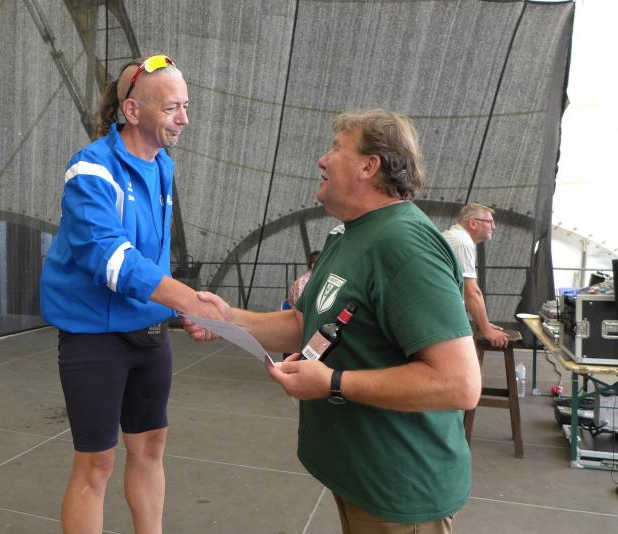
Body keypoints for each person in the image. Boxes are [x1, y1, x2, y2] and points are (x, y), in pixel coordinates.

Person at [185, 109, 481, 533]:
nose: (322, 159)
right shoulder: (347, 234)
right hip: (360, 475)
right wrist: (229, 319)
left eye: (336, 149)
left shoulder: (406, 243)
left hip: (399, 487)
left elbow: (458, 383)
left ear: (369, 166)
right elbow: (303, 324)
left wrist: (333, 383)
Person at [40, 54, 223, 534]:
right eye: (171, 108)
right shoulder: (90, 168)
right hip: (94, 337)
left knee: (151, 447)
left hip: (149, 332)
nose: (184, 119)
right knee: (96, 464)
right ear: (133, 111)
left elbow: (152, 258)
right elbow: (111, 258)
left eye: (186, 106)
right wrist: (186, 298)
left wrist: (179, 311)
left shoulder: (163, 165)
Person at [442, 203, 509, 349]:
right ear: (473, 223)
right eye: (490, 222)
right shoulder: (462, 242)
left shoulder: (458, 237)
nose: (494, 227)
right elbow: (471, 291)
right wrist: (486, 330)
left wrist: (484, 324)